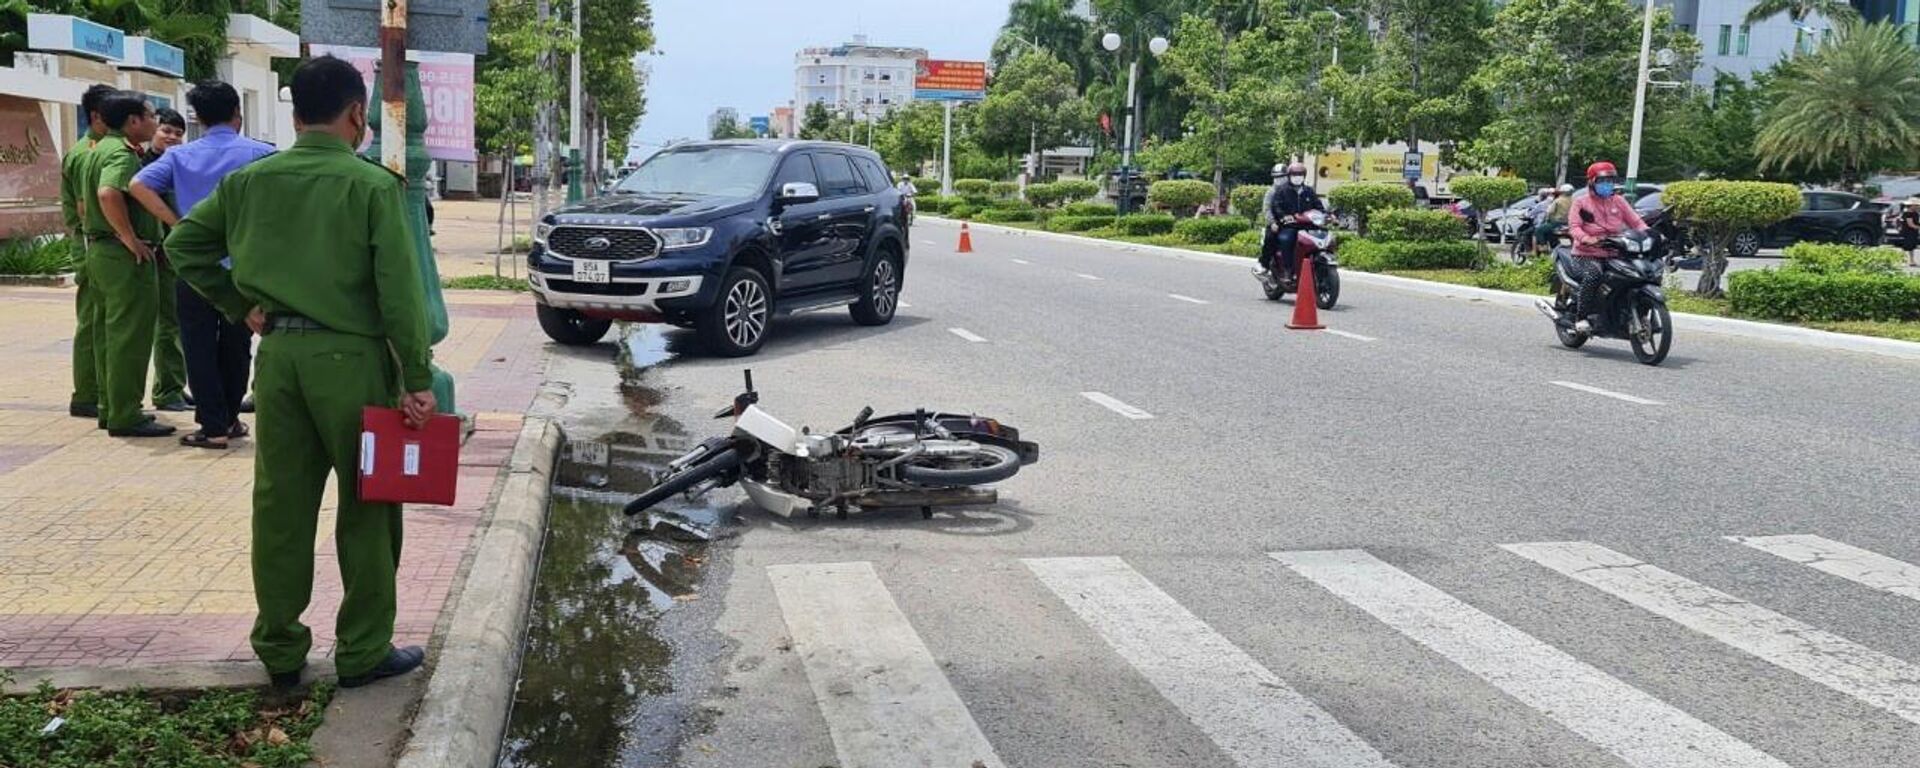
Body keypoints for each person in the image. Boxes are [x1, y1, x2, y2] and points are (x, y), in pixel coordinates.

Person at [167, 55, 435, 690]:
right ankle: (363, 648)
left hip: (280, 361)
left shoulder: (252, 180)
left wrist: (240, 303)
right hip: (352, 361)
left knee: (281, 507)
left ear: (294, 116)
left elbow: (184, 247)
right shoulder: (373, 186)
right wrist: (416, 377)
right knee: (370, 504)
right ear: (354, 115)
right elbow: (400, 293)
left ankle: (281, 649)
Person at [131, 81, 276, 449]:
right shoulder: (263, 154)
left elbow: (138, 185)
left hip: (194, 266)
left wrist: (178, 224)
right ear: (237, 115)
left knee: (197, 345)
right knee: (237, 343)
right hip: (244, 266)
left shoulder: (180, 156)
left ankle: (211, 427)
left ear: (198, 117)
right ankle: (229, 419)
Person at [82, 92, 173, 437]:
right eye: (150, 116)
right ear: (133, 121)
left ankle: (110, 406)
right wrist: (129, 237)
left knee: (108, 333)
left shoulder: (98, 148)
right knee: (130, 337)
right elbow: (108, 193)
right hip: (122, 257)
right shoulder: (121, 154)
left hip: (101, 252)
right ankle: (126, 414)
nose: (155, 122)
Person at [60, 84, 118, 420]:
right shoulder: (88, 153)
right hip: (91, 243)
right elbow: (85, 209)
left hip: (90, 243)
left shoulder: (93, 148)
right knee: (94, 322)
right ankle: (88, 393)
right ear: (97, 116)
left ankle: (93, 391)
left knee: (96, 320)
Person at [1552, 161, 1647, 334]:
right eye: (1602, 181)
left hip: (1615, 252)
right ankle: (1581, 317)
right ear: (1592, 182)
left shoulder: (1619, 201)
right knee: (1594, 274)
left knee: (1636, 273)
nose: (1607, 185)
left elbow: (1636, 222)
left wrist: (1650, 234)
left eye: (1610, 181)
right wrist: (1587, 238)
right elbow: (1574, 227)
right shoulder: (1581, 203)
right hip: (1586, 254)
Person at [141, 107, 190, 414]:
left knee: (176, 322)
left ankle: (174, 384)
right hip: (159, 253)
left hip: (174, 253)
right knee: (167, 324)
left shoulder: (177, 164)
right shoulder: (144, 166)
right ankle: (167, 389)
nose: (171, 137)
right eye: (166, 131)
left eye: (177, 133)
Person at [1259, 162, 1324, 281]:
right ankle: (1286, 270)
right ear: (1290, 176)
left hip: (1307, 225)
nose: (1297, 177)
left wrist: (1326, 215)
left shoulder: (1309, 191)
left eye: (1300, 174)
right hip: (1289, 225)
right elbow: (1274, 207)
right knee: (1285, 239)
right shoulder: (1280, 191)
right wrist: (1280, 218)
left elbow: (1318, 206)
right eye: (1294, 174)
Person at [1899, 198, 1920, 267]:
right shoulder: (1908, 213)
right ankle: (1901, 260)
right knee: (1906, 246)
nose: (1918, 206)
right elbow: (1910, 224)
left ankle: (1911, 261)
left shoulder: (1915, 213)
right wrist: (1918, 227)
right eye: (1916, 205)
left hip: (1913, 232)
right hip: (1908, 232)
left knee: (1912, 247)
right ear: (1912, 205)